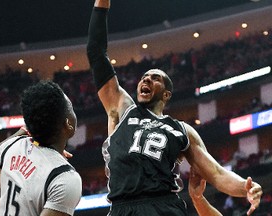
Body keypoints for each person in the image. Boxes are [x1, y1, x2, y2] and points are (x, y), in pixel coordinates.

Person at [86, 0, 262, 215]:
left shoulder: (181, 130)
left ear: (166, 94)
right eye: (144, 77)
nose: (147, 80)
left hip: (164, 206)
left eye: (155, 78)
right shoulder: (123, 109)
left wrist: (246, 187)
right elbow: (95, 52)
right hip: (123, 207)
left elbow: (215, 173)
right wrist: (102, 4)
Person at [0, 80, 82, 216]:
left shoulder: (13, 146)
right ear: (68, 124)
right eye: (70, 108)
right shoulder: (65, 178)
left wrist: (20, 134)